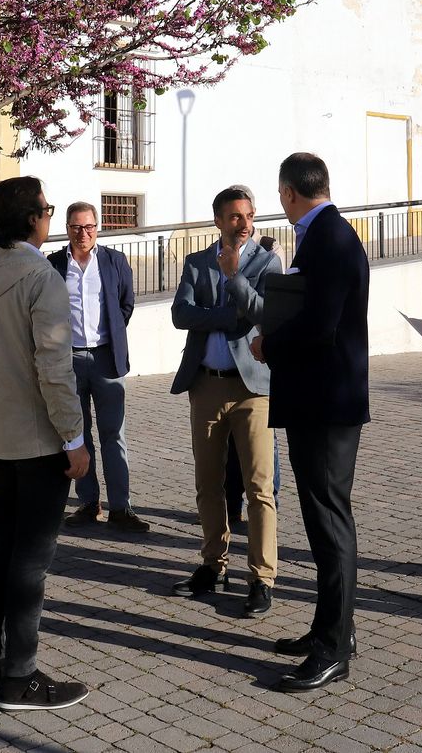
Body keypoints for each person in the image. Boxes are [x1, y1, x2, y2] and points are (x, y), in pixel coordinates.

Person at [0, 176, 91, 710]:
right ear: (32, 218)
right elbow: (55, 368)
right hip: (40, 440)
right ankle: (19, 677)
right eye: (47, 209)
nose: (49, 216)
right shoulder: (43, 277)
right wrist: (75, 439)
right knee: (30, 561)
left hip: (0, 435)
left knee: (0, 548)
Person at [252, 153, 369, 692]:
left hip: (326, 403)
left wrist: (269, 342)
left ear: (287, 193)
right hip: (318, 400)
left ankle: (333, 648)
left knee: (329, 522)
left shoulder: (330, 238)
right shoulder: (324, 235)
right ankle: (331, 629)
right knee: (324, 522)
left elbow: (321, 324)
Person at [169, 185, 282, 617]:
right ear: (218, 220)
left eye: (249, 215)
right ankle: (213, 564)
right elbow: (181, 314)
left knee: (259, 487)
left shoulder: (266, 261)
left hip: (253, 389)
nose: (244, 224)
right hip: (207, 385)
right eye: (235, 217)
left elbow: (264, 315)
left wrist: (234, 279)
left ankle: (262, 577)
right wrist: (227, 315)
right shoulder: (197, 262)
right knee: (207, 484)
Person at [48, 202, 147, 532]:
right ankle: (89, 503)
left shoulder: (114, 261)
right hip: (70, 359)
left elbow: (126, 304)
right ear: (67, 228)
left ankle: (121, 507)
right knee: (77, 435)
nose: (83, 233)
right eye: (76, 227)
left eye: (89, 227)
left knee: (113, 433)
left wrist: (113, 334)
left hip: (106, 358)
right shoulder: (55, 265)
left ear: (98, 228)